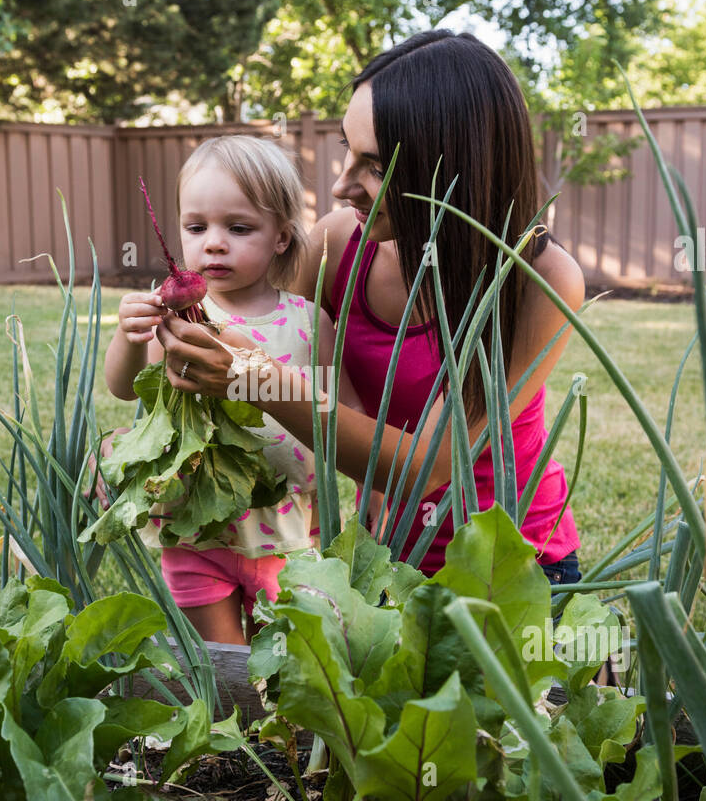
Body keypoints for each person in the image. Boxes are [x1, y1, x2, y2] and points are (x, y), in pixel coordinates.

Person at [152, 30, 586, 587]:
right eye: (345, 150)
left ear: (453, 166)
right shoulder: (336, 247)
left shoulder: (536, 278)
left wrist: (253, 377)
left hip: (511, 568)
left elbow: (427, 468)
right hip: (382, 555)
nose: (339, 186)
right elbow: (275, 352)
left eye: (374, 167)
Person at [103, 134, 372, 644]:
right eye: (196, 227)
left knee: (292, 664)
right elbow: (123, 389)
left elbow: (340, 413)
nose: (214, 243)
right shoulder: (178, 320)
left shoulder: (309, 321)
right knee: (222, 668)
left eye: (239, 227)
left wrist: (367, 487)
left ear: (282, 238)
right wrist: (129, 335)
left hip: (288, 531)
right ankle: (230, 726)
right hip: (197, 530)